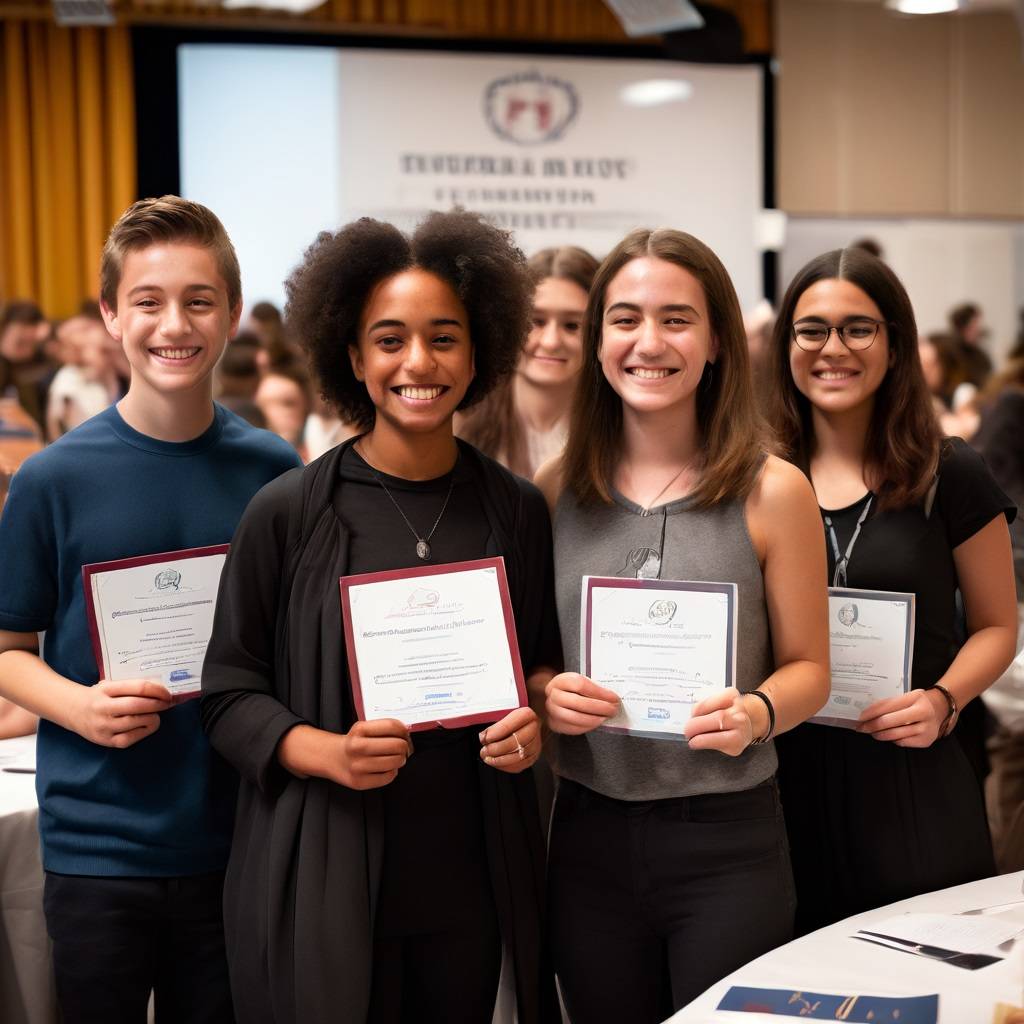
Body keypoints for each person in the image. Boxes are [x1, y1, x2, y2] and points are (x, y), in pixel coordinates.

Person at [200, 210, 561, 1024]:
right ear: (353, 355)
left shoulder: (516, 510)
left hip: (470, 875)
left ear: (480, 352)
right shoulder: (286, 512)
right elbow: (227, 694)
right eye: (390, 339)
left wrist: (533, 718)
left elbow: (540, 661)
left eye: (445, 337)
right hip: (324, 869)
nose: (419, 363)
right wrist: (324, 752)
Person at [0, 196, 301, 1023]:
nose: (176, 323)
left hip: (236, 839)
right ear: (109, 314)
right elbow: (7, 648)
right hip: (99, 846)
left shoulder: (275, 473)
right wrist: (77, 706)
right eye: (148, 301)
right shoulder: (51, 479)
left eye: (200, 300)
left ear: (233, 314)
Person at [536, 227, 830, 1022]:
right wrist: (544, 694)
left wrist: (759, 713)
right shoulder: (555, 489)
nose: (649, 342)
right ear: (599, 341)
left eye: (677, 319)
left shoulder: (775, 490)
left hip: (727, 845)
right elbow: (534, 659)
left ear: (717, 344)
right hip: (587, 837)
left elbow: (809, 669)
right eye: (625, 318)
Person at [767, 248, 1017, 934]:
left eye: (858, 328)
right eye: (811, 329)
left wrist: (944, 700)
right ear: (787, 342)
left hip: (913, 781)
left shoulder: (950, 471)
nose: (833, 349)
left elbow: (998, 624)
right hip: (785, 782)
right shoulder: (755, 478)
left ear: (895, 343)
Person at [459, 245, 598, 479]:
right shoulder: (456, 422)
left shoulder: (619, 434)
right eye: (536, 322)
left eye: (572, 325)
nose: (551, 342)